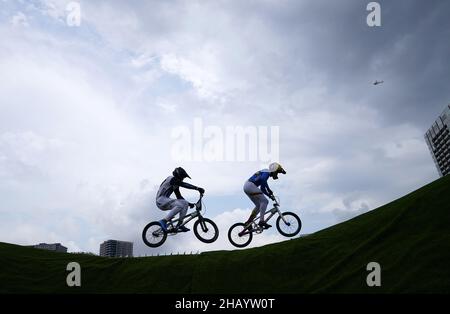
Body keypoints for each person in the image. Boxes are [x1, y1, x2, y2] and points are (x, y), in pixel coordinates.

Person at [156, 167, 205, 232]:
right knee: (180, 205)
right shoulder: (171, 179)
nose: (183, 179)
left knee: (184, 203)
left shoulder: (175, 184)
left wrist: (189, 203)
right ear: (179, 175)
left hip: (164, 201)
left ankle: (180, 224)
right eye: (183, 177)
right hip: (160, 200)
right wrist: (197, 188)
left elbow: (179, 196)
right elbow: (183, 184)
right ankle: (164, 221)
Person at [243, 162, 286, 229]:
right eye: (277, 172)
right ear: (274, 170)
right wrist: (268, 192)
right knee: (265, 201)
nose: (277, 174)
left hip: (247, 186)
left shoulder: (265, 172)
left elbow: (263, 186)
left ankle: (248, 222)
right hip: (250, 186)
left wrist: (269, 192)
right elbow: (263, 187)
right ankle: (261, 221)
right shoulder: (267, 172)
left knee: (258, 205)